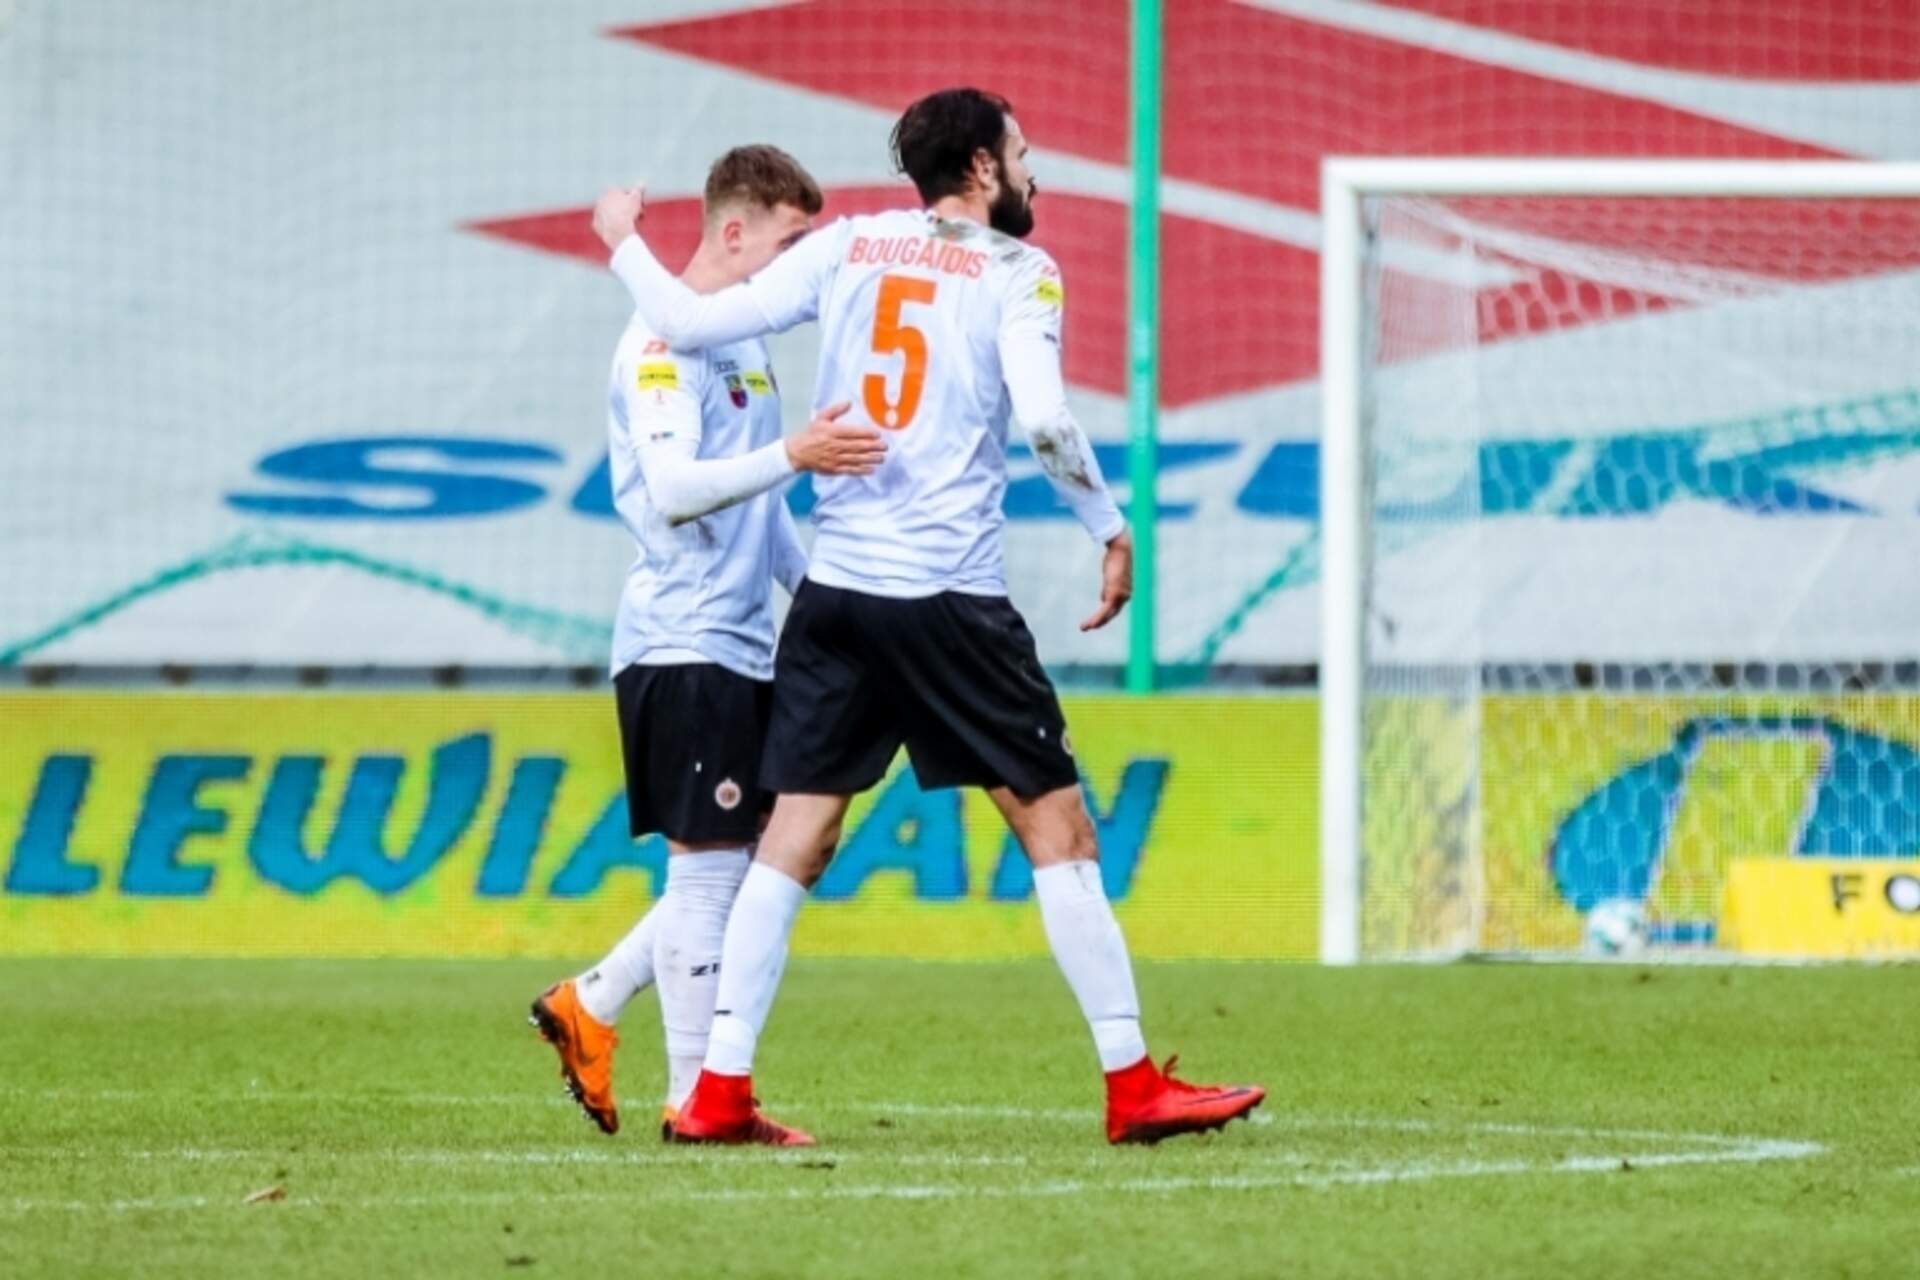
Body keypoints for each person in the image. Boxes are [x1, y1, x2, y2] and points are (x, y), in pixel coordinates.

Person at [591, 89, 1264, 1146]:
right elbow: (1045, 420)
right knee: (1060, 830)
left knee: (792, 842)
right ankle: (1132, 1083)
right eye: (1023, 152)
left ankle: (717, 1089)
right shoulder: (1020, 271)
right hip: (948, 600)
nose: (1034, 171)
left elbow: (686, 319)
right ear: (983, 169)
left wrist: (624, 242)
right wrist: (1109, 523)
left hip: (838, 603)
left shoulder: (849, 246)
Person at [530, 144, 885, 1146]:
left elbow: (762, 515)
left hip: (741, 648)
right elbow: (678, 488)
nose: (800, 260)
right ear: (734, 230)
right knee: (708, 876)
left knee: (767, 861)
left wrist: (826, 604)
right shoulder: (657, 345)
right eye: (790, 239)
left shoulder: (742, 345)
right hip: (681, 643)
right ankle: (697, 1098)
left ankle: (593, 1000)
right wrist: (795, 452)